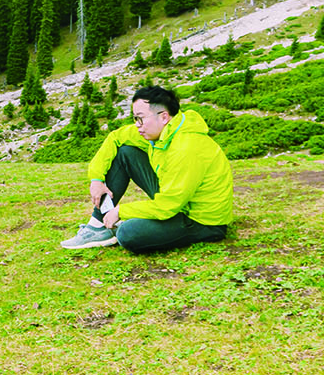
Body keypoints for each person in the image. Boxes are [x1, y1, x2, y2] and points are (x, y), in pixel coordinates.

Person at [61, 84, 232, 253]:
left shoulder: (186, 148)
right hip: (177, 201)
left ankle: (116, 224)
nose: (137, 125)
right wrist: (96, 179)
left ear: (164, 117)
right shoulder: (156, 131)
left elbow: (167, 206)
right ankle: (98, 226)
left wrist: (122, 211)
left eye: (140, 118)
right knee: (125, 152)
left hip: (202, 221)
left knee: (128, 233)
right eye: (135, 118)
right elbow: (115, 137)